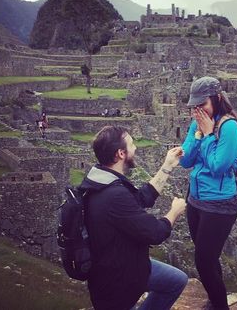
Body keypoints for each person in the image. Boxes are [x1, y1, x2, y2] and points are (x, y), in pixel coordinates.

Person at [80, 126, 188, 310]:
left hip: (118, 263)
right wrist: (174, 211)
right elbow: (155, 233)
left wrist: (167, 166)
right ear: (121, 154)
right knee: (174, 283)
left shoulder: (99, 181)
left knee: (177, 280)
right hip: (117, 280)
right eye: (132, 144)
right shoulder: (114, 195)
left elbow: (141, 198)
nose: (136, 148)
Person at [179, 77, 237, 310]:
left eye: (202, 104)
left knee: (203, 261)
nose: (198, 110)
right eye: (195, 106)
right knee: (208, 257)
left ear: (216, 98)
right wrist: (197, 134)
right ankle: (215, 301)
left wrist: (207, 135)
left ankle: (219, 305)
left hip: (219, 205)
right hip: (195, 201)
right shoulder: (197, 125)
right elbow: (186, 160)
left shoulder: (230, 127)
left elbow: (218, 166)